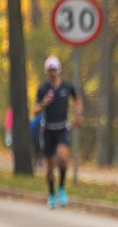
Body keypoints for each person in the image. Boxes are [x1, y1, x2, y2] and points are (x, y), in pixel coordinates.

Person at [35, 56, 83, 209]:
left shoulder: (67, 87)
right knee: (49, 166)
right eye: (49, 70)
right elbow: (35, 110)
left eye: (54, 69)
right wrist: (44, 103)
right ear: (46, 72)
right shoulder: (43, 89)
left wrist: (79, 114)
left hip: (62, 127)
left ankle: (61, 187)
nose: (52, 72)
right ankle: (51, 194)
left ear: (58, 70)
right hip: (48, 129)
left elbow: (78, 99)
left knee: (63, 158)